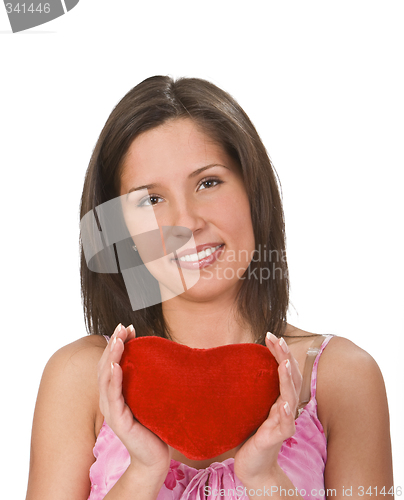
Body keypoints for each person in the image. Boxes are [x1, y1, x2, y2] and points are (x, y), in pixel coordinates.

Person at [25, 76, 394, 500]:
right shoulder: (81, 377)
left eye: (208, 183)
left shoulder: (339, 379)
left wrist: (264, 478)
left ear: (253, 191)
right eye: (150, 200)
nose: (187, 222)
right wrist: (144, 471)